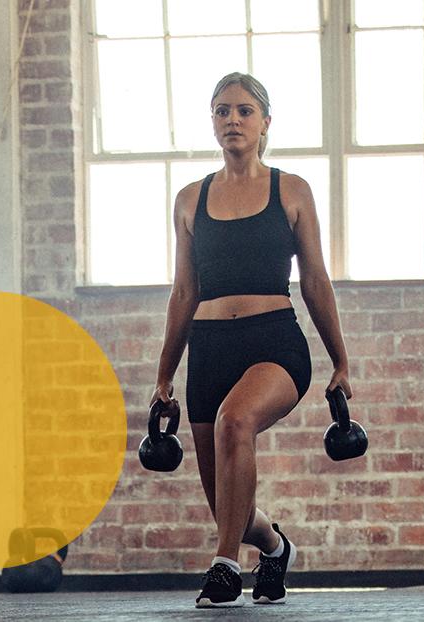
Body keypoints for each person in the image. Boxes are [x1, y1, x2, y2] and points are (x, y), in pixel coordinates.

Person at [149, 72, 351, 608]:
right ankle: (273, 545)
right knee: (228, 510)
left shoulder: (293, 190)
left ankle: (224, 568)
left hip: (274, 344)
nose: (232, 120)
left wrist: (341, 361)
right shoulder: (190, 199)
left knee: (235, 421)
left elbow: (315, 280)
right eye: (221, 111)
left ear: (265, 123)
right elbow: (183, 291)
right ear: (212, 122)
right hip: (208, 347)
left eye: (243, 111)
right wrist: (165, 373)